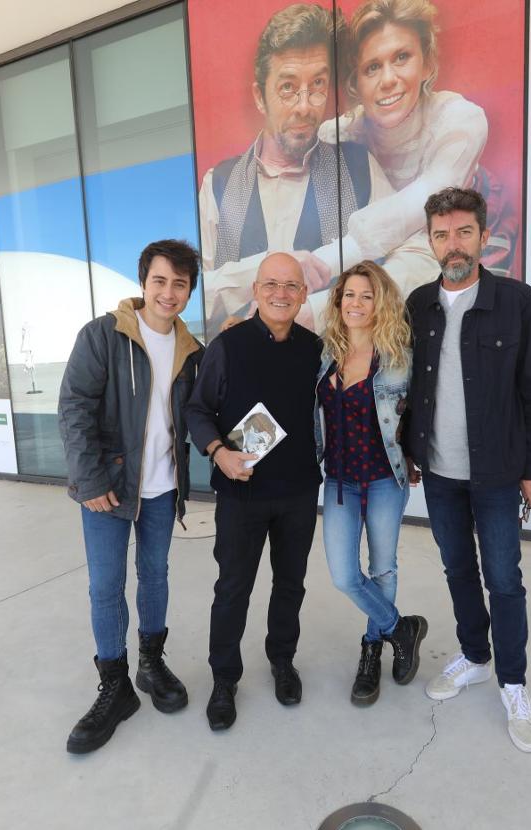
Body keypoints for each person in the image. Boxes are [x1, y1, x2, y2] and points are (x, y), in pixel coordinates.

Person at [403, 187, 531, 754]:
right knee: (457, 571)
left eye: (463, 231)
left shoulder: (515, 301)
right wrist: (409, 450)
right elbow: (409, 385)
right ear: (431, 241)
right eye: (442, 234)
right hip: (439, 471)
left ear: (483, 235)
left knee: (505, 579)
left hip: (497, 473)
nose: (453, 243)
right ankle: (474, 655)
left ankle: (513, 683)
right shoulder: (418, 304)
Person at [58, 240, 205, 755]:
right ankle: (113, 683)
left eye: (180, 284)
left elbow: (207, 409)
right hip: (109, 489)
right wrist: (91, 480)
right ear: (144, 281)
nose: (169, 292)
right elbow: (74, 406)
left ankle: (151, 663)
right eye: (160, 281)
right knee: (105, 585)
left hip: (163, 490)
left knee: (156, 575)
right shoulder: (104, 335)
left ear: (190, 291)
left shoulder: (192, 351)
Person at [199, 3, 403, 333]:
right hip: (245, 375)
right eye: (288, 88)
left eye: (318, 85)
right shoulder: (218, 184)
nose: (305, 107)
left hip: (334, 376)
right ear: (260, 97)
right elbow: (192, 295)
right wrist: (273, 268)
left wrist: (322, 311)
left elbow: (408, 259)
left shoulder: (358, 167)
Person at [186, 252, 323, 731]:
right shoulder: (228, 347)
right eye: (271, 284)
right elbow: (197, 410)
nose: (281, 294)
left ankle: (282, 661)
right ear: (256, 291)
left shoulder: (315, 349)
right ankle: (224, 679)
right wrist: (218, 452)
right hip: (241, 494)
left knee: (290, 585)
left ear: (303, 293)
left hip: (300, 492)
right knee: (233, 588)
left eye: (291, 286)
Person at [316, 0, 491, 304]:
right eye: (372, 67)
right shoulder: (338, 134)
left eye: (401, 57)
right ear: (356, 81)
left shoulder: (460, 121)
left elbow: (423, 206)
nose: (387, 80)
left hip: (440, 280)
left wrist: (318, 265)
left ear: (427, 63)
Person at [315, 259, 427, 706]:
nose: (356, 303)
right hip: (339, 479)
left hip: (384, 477)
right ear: (338, 301)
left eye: (366, 295)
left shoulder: (400, 356)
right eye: (349, 295)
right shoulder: (325, 352)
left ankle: (370, 650)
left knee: (382, 568)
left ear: (380, 302)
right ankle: (401, 628)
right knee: (344, 575)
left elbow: (420, 414)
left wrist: (419, 455)